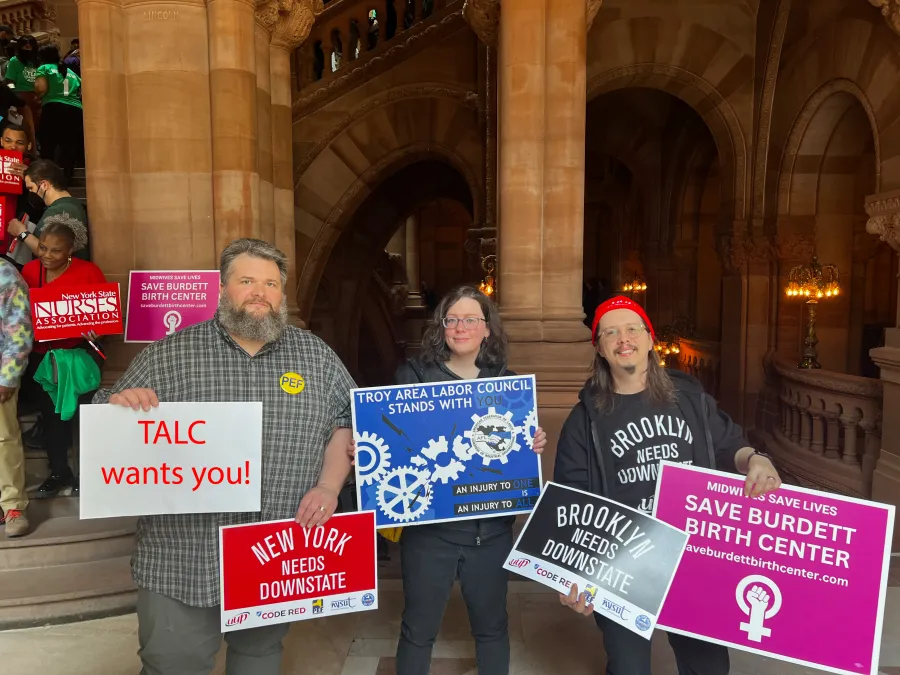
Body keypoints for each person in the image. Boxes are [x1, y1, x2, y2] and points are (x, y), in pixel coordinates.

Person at [92, 238, 356, 675]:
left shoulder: (316, 356)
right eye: (247, 280)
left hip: (276, 548)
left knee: (259, 657)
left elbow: (347, 421)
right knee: (172, 665)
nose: (260, 292)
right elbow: (108, 417)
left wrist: (329, 486)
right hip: (183, 555)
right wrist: (120, 404)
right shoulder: (170, 353)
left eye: (271, 283)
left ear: (283, 294)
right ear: (221, 288)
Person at [554, 295, 782, 675]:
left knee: (708, 666)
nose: (623, 339)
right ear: (600, 348)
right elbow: (570, 502)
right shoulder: (584, 420)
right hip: (622, 562)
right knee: (629, 668)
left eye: (632, 329)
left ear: (649, 339)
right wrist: (571, 573)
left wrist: (755, 459)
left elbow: (730, 446)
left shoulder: (689, 399)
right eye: (610, 332)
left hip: (691, 557)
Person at [388, 285, 547, 675]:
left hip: (489, 534)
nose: (461, 328)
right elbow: (393, 440)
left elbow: (509, 452)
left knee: (492, 628)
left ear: (487, 328)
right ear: (441, 326)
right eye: (452, 319)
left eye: (471, 320)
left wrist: (531, 444)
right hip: (429, 534)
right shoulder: (411, 377)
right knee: (417, 630)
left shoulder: (507, 386)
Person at [20, 216, 104, 496]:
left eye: (55, 250)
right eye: (42, 247)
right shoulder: (30, 272)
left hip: (79, 358)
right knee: (52, 418)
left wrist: (97, 331)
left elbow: (103, 315)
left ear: (71, 250)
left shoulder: (89, 272)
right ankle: (59, 472)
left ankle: (87, 473)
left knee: (83, 418)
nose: (46, 255)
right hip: (44, 360)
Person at [0, 256, 32, 536]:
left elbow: (18, 328)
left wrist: (8, 376)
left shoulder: (5, 274)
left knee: (3, 440)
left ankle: (13, 507)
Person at [7, 159, 88, 261]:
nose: (31, 192)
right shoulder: (72, 203)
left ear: (44, 185)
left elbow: (47, 252)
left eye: (31, 188)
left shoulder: (58, 210)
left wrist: (21, 232)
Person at [34, 44, 84, 182]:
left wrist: (37, 96)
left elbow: (42, 88)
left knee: (48, 144)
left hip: (53, 108)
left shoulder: (44, 68)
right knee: (69, 145)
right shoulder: (71, 72)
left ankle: (46, 176)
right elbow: (80, 91)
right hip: (75, 110)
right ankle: (68, 175)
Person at [3, 35, 40, 133]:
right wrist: (15, 95)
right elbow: (9, 81)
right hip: (21, 96)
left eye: (30, 46)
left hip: (38, 97)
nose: (28, 49)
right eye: (26, 47)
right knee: (26, 127)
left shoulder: (37, 61)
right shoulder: (15, 61)